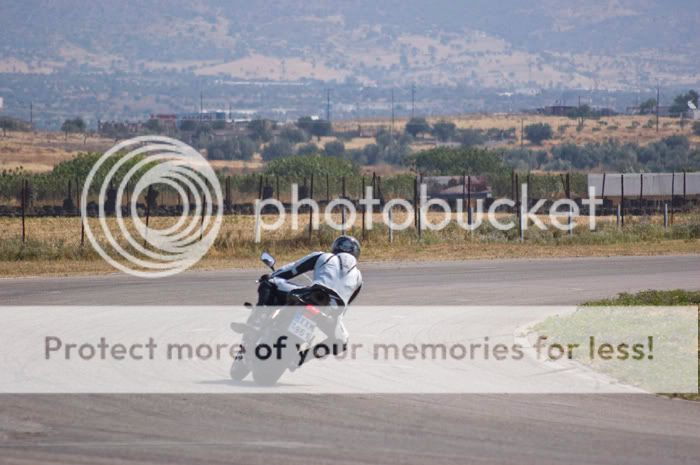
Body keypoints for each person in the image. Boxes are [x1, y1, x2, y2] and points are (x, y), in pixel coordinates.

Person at [257, 235, 362, 367]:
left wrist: (272, 275)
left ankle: (258, 320)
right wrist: (333, 321)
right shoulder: (358, 278)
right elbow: (345, 306)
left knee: (269, 283)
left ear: (335, 248)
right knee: (342, 341)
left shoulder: (324, 256)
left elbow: (292, 269)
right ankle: (302, 357)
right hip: (330, 313)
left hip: (310, 296)